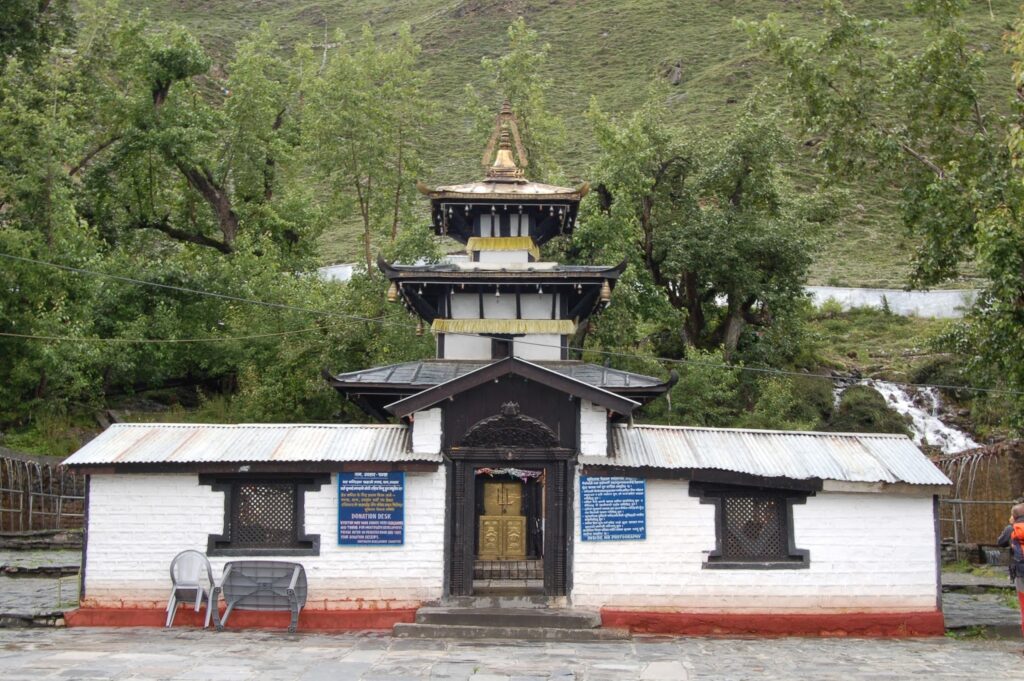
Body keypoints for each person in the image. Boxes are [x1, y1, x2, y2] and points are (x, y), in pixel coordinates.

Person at [996, 502, 1024, 638]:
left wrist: (1011, 524)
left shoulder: (1011, 529)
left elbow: (1000, 542)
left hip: (1020, 572)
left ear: (1014, 515)